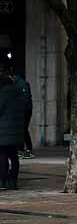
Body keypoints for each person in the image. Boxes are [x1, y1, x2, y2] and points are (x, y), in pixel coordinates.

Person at [0, 60, 30, 189]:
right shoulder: (19, 88)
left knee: (2, 156)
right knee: (13, 156)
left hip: (3, 130)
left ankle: (2, 180)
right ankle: (13, 181)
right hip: (16, 130)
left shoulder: (4, 92)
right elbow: (25, 105)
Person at [15, 70, 32, 159]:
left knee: (22, 130)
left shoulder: (21, 84)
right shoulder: (21, 83)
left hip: (25, 111)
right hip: (25, 110)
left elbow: (25, 99)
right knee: (23, 130)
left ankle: (25, 150)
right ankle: (24, 149)